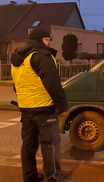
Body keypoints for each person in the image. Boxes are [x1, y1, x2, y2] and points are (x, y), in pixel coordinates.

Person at [11, 28, 74, 182]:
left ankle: (30, 176)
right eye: (48, 39)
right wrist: (61, 104)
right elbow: (53, 83)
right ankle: (54, 178)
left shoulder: (18, 57)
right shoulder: (42, 55)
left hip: (26, 108)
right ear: (41, 39)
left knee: (28, 145)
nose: (49, 42)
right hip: (44, 108)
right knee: (50, 144)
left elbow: (16, 85)